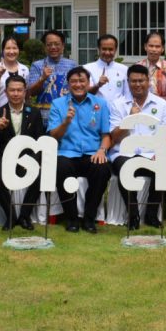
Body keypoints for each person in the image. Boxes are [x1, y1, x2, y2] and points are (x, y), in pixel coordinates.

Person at [46, 67, 112, 233]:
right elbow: (54, 136)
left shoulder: (101, 104)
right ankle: (72, 218)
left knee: (103, 169)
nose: (78, 84)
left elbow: (106, 135)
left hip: (92, 153)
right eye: (74, 81)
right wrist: (66, 122)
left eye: (82, 81)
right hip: (67, 153)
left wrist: (102, 150)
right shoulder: (58, 104)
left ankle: (89, 218)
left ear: (88, 83)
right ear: (68, 84)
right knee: (60, 167)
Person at [107, 64, 166, 230]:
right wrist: (130, 118)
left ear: (148, 81)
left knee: (163, 166)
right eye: (133, 81)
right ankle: (133, 215)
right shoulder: (117, 104)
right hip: (123, 153)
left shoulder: (162, 104)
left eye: (141, 81)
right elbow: (114, 137)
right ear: (128, 82)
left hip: (150, 153)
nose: (137, 84)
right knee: (125, 168)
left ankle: (151, 215)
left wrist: (160, 151)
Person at [0, 75, 44, 231]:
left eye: (19, 90)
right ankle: (10, 215)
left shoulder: (34, 113)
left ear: (25, 92)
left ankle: (25, 215)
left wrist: (33, 160)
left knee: (40, 174)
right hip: (3, 156)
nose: (16, 94)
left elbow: (39, 141)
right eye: (12, 90)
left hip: (27, 157)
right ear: (6, 92)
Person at [28, 30, 78, 110]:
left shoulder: (72, 65)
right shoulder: (37, 65)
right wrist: (42, 78)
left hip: (67, 111)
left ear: (63, 46)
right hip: (44, 112)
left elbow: (78, 89)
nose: (53, 47)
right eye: (49, 44)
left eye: (57, 44)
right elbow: (31, 92)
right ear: (45, 47)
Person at [0, 36, 30, 114]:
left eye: (14, 48)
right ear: (3, 50)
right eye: (8, 48)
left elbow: (27, 94)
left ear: (19, 50)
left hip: (20, 113)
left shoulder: (25, 69)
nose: (11, 52)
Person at [87, 34, 130, 105]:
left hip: (119, 110)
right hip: (97, 109)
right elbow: (85, 93)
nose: (107, 53)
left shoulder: (124, 69)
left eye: (110, 49)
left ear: (115, 50)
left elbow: (127, 95)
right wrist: (98, 85)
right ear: (99, 49)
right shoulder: (88, 69)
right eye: (104, 49)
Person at [137, 31, 166, 102]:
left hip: (165, 104)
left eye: (157, 46)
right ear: (145, 47)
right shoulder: (138, 67)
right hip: (143, 104)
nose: (154, 49)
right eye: (151, 46)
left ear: (162, 49)